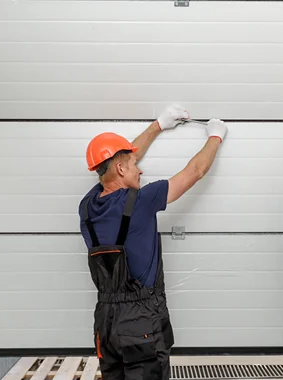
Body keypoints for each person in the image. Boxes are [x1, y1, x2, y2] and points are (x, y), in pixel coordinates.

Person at [78, 105, 227, 380]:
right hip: (140, 321)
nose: (141, 169)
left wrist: (158, 125)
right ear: (121, 168)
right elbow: (195, 171)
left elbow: (114, 164)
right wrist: (215, 136)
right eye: (134, 165)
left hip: (106, 323)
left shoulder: (87, 206)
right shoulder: (141, 201)